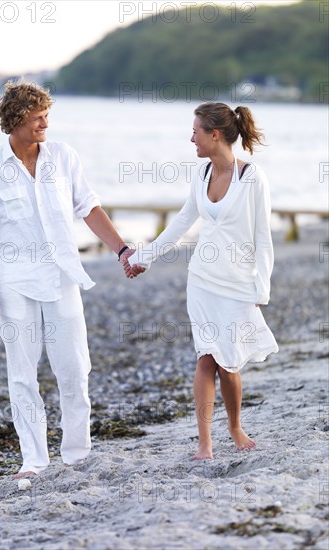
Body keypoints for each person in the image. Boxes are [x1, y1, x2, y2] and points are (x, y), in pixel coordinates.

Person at [0, 81, 136, 479]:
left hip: (63, 276)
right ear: (15, 120)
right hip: (14, 283)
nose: (45, 121)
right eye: (36, 115)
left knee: (75, 367)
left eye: (46, 114)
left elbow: (89, 208)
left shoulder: (64, 157)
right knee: (23, 374)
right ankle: (34, 461)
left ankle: (77, 453)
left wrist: (122, 250)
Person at [127, 102, 279, 460]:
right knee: (207, 358)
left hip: (238, 284)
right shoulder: (201, 175)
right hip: (202, 280)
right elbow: (180, 225)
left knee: (230, 363)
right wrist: (142, 258)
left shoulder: (251, 178)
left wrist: (262, 289)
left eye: (195, 131)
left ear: (214, 135)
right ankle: (205, 443)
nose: (190, 137)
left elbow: (263, 238)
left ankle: (235, 426)